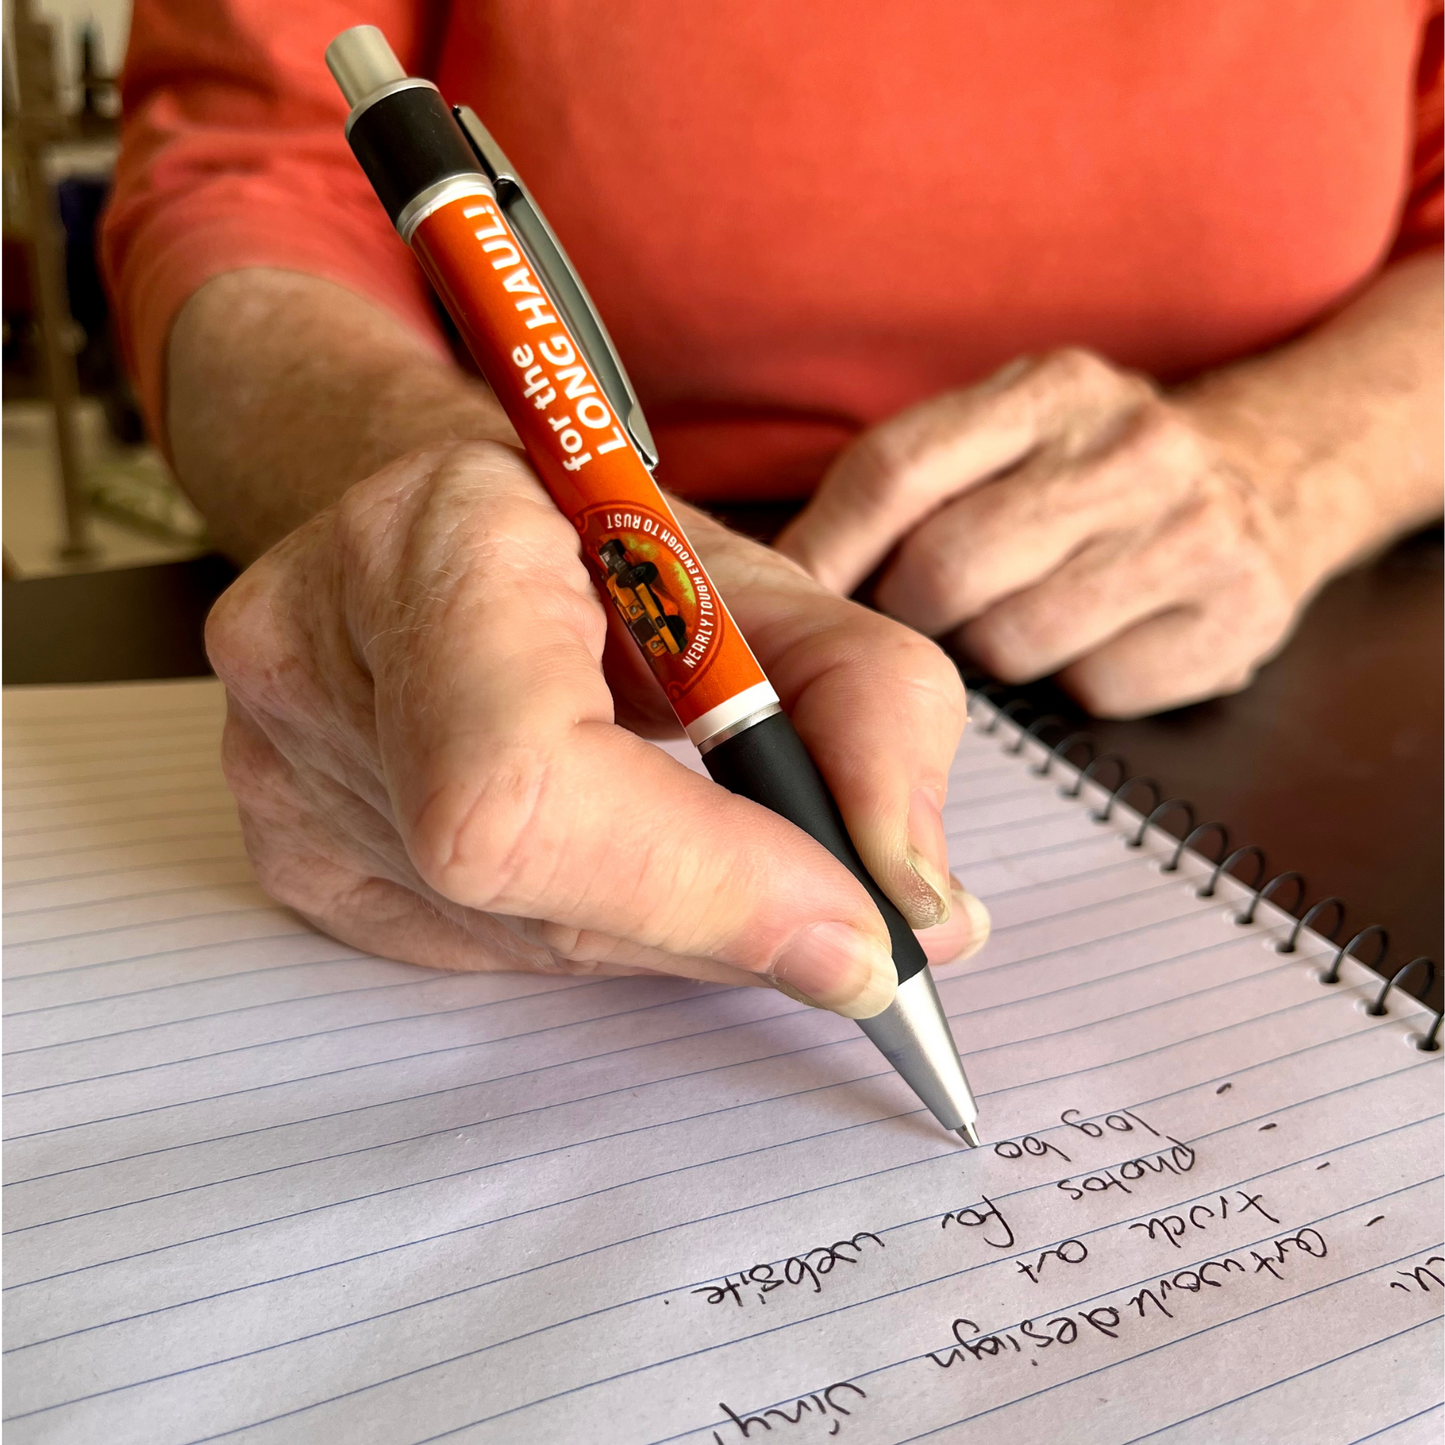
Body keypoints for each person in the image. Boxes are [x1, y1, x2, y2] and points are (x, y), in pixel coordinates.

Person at [102, 3, 1442, 1016]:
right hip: (585, 603)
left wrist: (1295, 462)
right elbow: (248, 179)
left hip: (1287, 646)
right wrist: (429, 483)